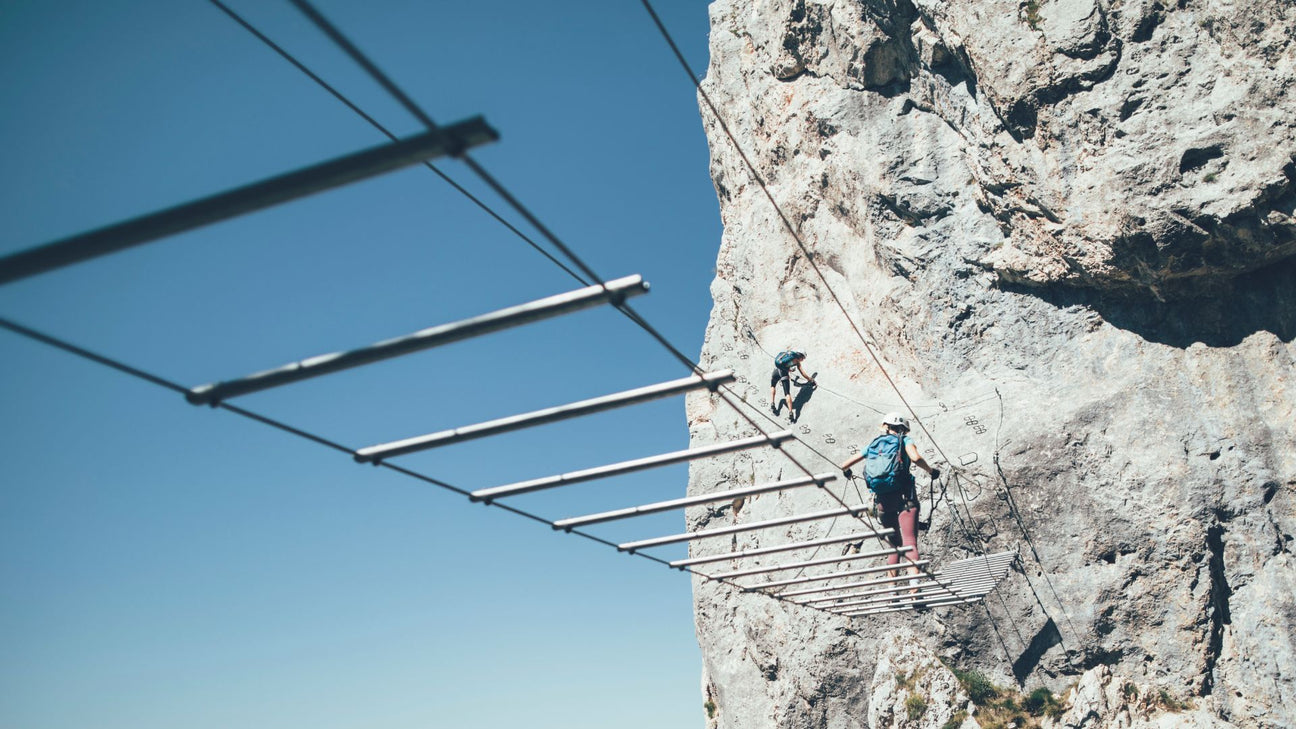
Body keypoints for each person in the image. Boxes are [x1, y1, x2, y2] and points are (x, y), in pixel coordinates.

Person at [839, 412, 941, 594]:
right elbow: (916, 458)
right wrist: (931, 471)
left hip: (883, 502)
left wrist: (847, 472)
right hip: (904, 498)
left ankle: (892, 589)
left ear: (885, 426)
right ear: (903, 429)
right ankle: (914, 587)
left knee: (894, 545)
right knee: (910, 541)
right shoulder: (904, 441)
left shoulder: (873, 444)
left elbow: (845, 464)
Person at [770, 349, 814, 420]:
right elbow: (803, 374)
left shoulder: (789, 354)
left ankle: (772, 403)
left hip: (776, 370)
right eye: (803, 359)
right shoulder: (797, 363)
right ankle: (790, 412)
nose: (802, 360)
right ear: (801, 357)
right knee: (787, 393)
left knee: (773, 386)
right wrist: (811, 380)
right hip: (784, 374)